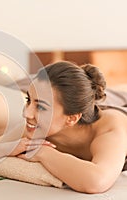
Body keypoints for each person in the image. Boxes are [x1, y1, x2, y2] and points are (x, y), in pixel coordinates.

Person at [13, 61, 127, 193]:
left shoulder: (110, 127)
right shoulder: (43, 127)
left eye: (40, 107)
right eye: (28, 100)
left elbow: (96, 181)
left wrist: (42, 152)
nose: (26, 113)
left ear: (72, 118)